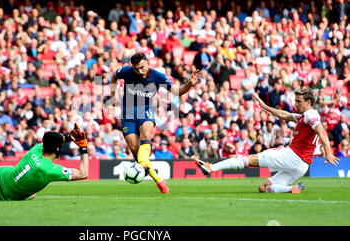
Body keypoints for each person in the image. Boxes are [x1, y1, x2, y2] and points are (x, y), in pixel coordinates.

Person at [194, 89, 339, 193]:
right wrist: (264, 107)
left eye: (299, 101)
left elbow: (321, 130)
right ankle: (292, 189)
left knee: (249, 159)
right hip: (302, 166)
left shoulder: (310, 115)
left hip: (293, 156)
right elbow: (285, 115)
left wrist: (328, 152)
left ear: (308, 102)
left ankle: (211, 167)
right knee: (263, 188)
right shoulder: (303, 116)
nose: (295, 104)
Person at [110, 52, 201, 193]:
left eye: (142, 67)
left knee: (145, 136)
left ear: (148, 63)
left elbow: (177, 92)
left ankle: (152, 176)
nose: (139, 71)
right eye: (136, 68)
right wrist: (112, 95)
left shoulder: (158, 77)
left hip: (145, 111)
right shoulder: (126, 72)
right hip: (127, 114)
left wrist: (190, 84)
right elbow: (114, 76)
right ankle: (158, 180)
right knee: (135, 149)